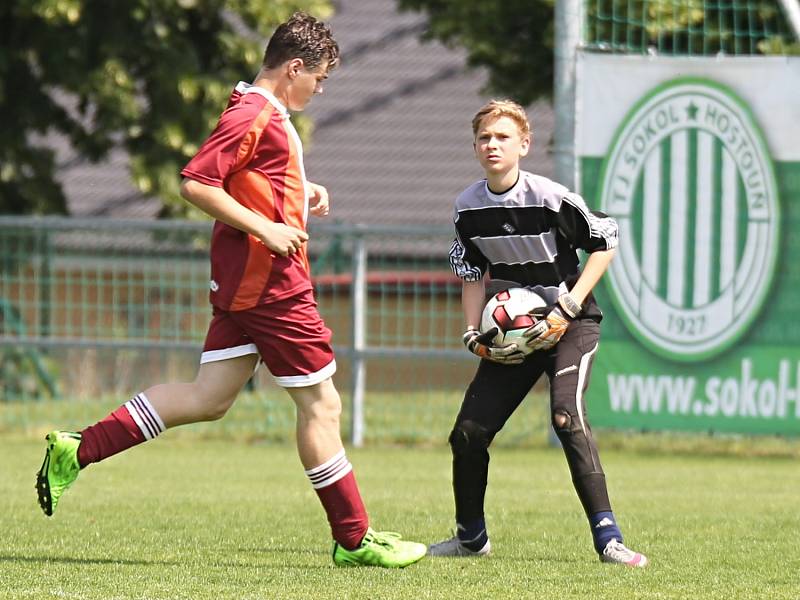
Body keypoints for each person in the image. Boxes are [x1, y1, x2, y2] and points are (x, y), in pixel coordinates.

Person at [35, 12, 426, 569]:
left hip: (246, 284)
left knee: (209, 398)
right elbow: (196, 181)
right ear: (295, 68)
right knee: (321, 403)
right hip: (273, 286)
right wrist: (267, 227)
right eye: (319, 77)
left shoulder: (258, 109)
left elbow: (249, 177)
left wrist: (295, 191)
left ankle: (80, 447)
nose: (321, 87)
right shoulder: (253, 114)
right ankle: (355, 538)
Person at [429, 99, 648, 567]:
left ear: (524, 145)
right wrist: (473, 334)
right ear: (474, 146)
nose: (493, 145)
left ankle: (609, 537)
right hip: (518, 334)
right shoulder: (467, 207)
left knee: (566, 416)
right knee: (467, 433)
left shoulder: (549, 198)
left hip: (572, 324)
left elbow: (605, 242)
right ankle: (471, 538)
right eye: (485, 138)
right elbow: (472, 274)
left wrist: (568, 306)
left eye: (503, 137)